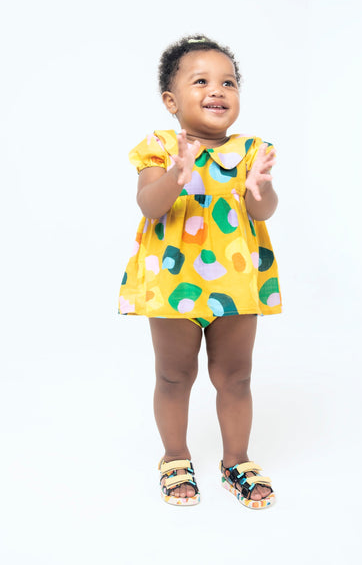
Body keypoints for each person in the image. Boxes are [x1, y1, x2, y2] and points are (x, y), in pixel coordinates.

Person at [118, 35, 281, 509]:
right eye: (202, 81)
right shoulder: (161, 148)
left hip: (235, 282)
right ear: (171, 101)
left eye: (228, 81)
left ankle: (236, 461)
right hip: (173, 283)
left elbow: (262, 211)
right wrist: (176, 176)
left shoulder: (251, 151)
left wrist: (259, 188)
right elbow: (149, 204)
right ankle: (174, 457)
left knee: (236, 376)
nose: (218, 89)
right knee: (173, 375)